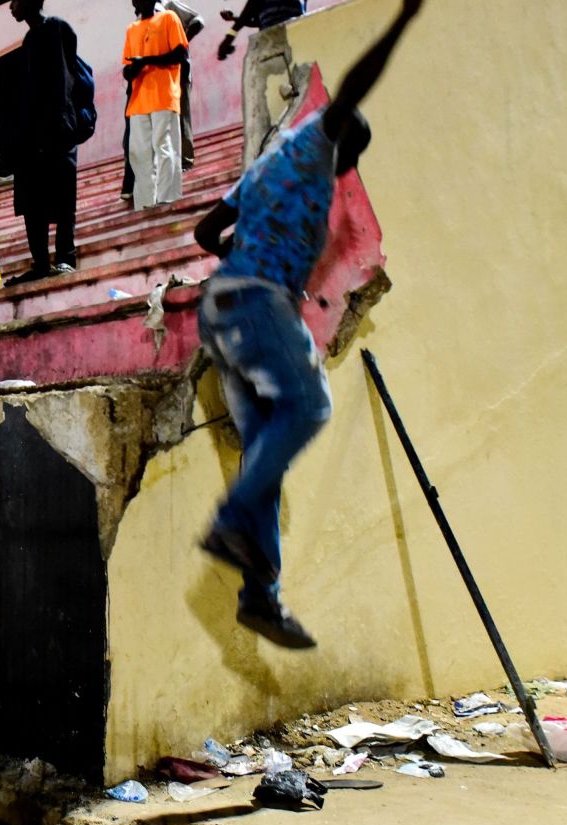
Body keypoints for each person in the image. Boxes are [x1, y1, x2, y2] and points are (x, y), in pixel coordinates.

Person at [193, 0, 422, 648]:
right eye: (350, 161)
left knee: (264, 448)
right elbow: (352, 90)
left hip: (226, 306)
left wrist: (249, 254)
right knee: (311, 404)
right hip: (258, 301)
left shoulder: (265, 166)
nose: (344, 175)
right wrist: (403, 21)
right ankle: (233, 522)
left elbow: (205, 229)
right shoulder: (317, 141)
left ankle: (259, 594)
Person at [0, 0, 86, 284]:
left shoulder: (56, 28)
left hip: (56, 132)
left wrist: (57, 130)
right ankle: (40, 263)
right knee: (31, 202)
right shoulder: (29, 39)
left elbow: (63, 83)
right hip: (31, 137)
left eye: (16, 1)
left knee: (62, 198)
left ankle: (65, 257)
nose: (12, 7)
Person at [123, 0, 203, 200]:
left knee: (178, 121)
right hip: (147, 89)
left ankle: (184, 163)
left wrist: (179, 39)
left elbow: (198, 21)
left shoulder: (170, 7)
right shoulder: (139, 21)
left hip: (175, 75)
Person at [218, 0, 305, 60]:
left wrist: (229, 38)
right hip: (300, 38)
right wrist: (235, 18)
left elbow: (248, 14)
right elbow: (258, 21)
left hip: (274, 44)